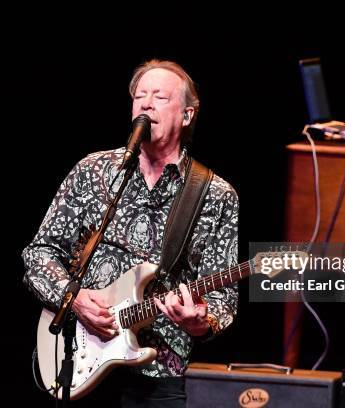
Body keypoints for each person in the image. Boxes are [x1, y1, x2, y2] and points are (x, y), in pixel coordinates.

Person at [22, 59, 239, 407]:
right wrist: (73, 299)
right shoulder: (93, 171)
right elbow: (39, 254)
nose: (147, 103)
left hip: (162, 377)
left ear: (187, 115)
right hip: (79, 360)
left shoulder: (215, 195)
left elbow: (223, 300)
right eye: (140, 96)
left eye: (161, 97)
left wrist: (200, 321)